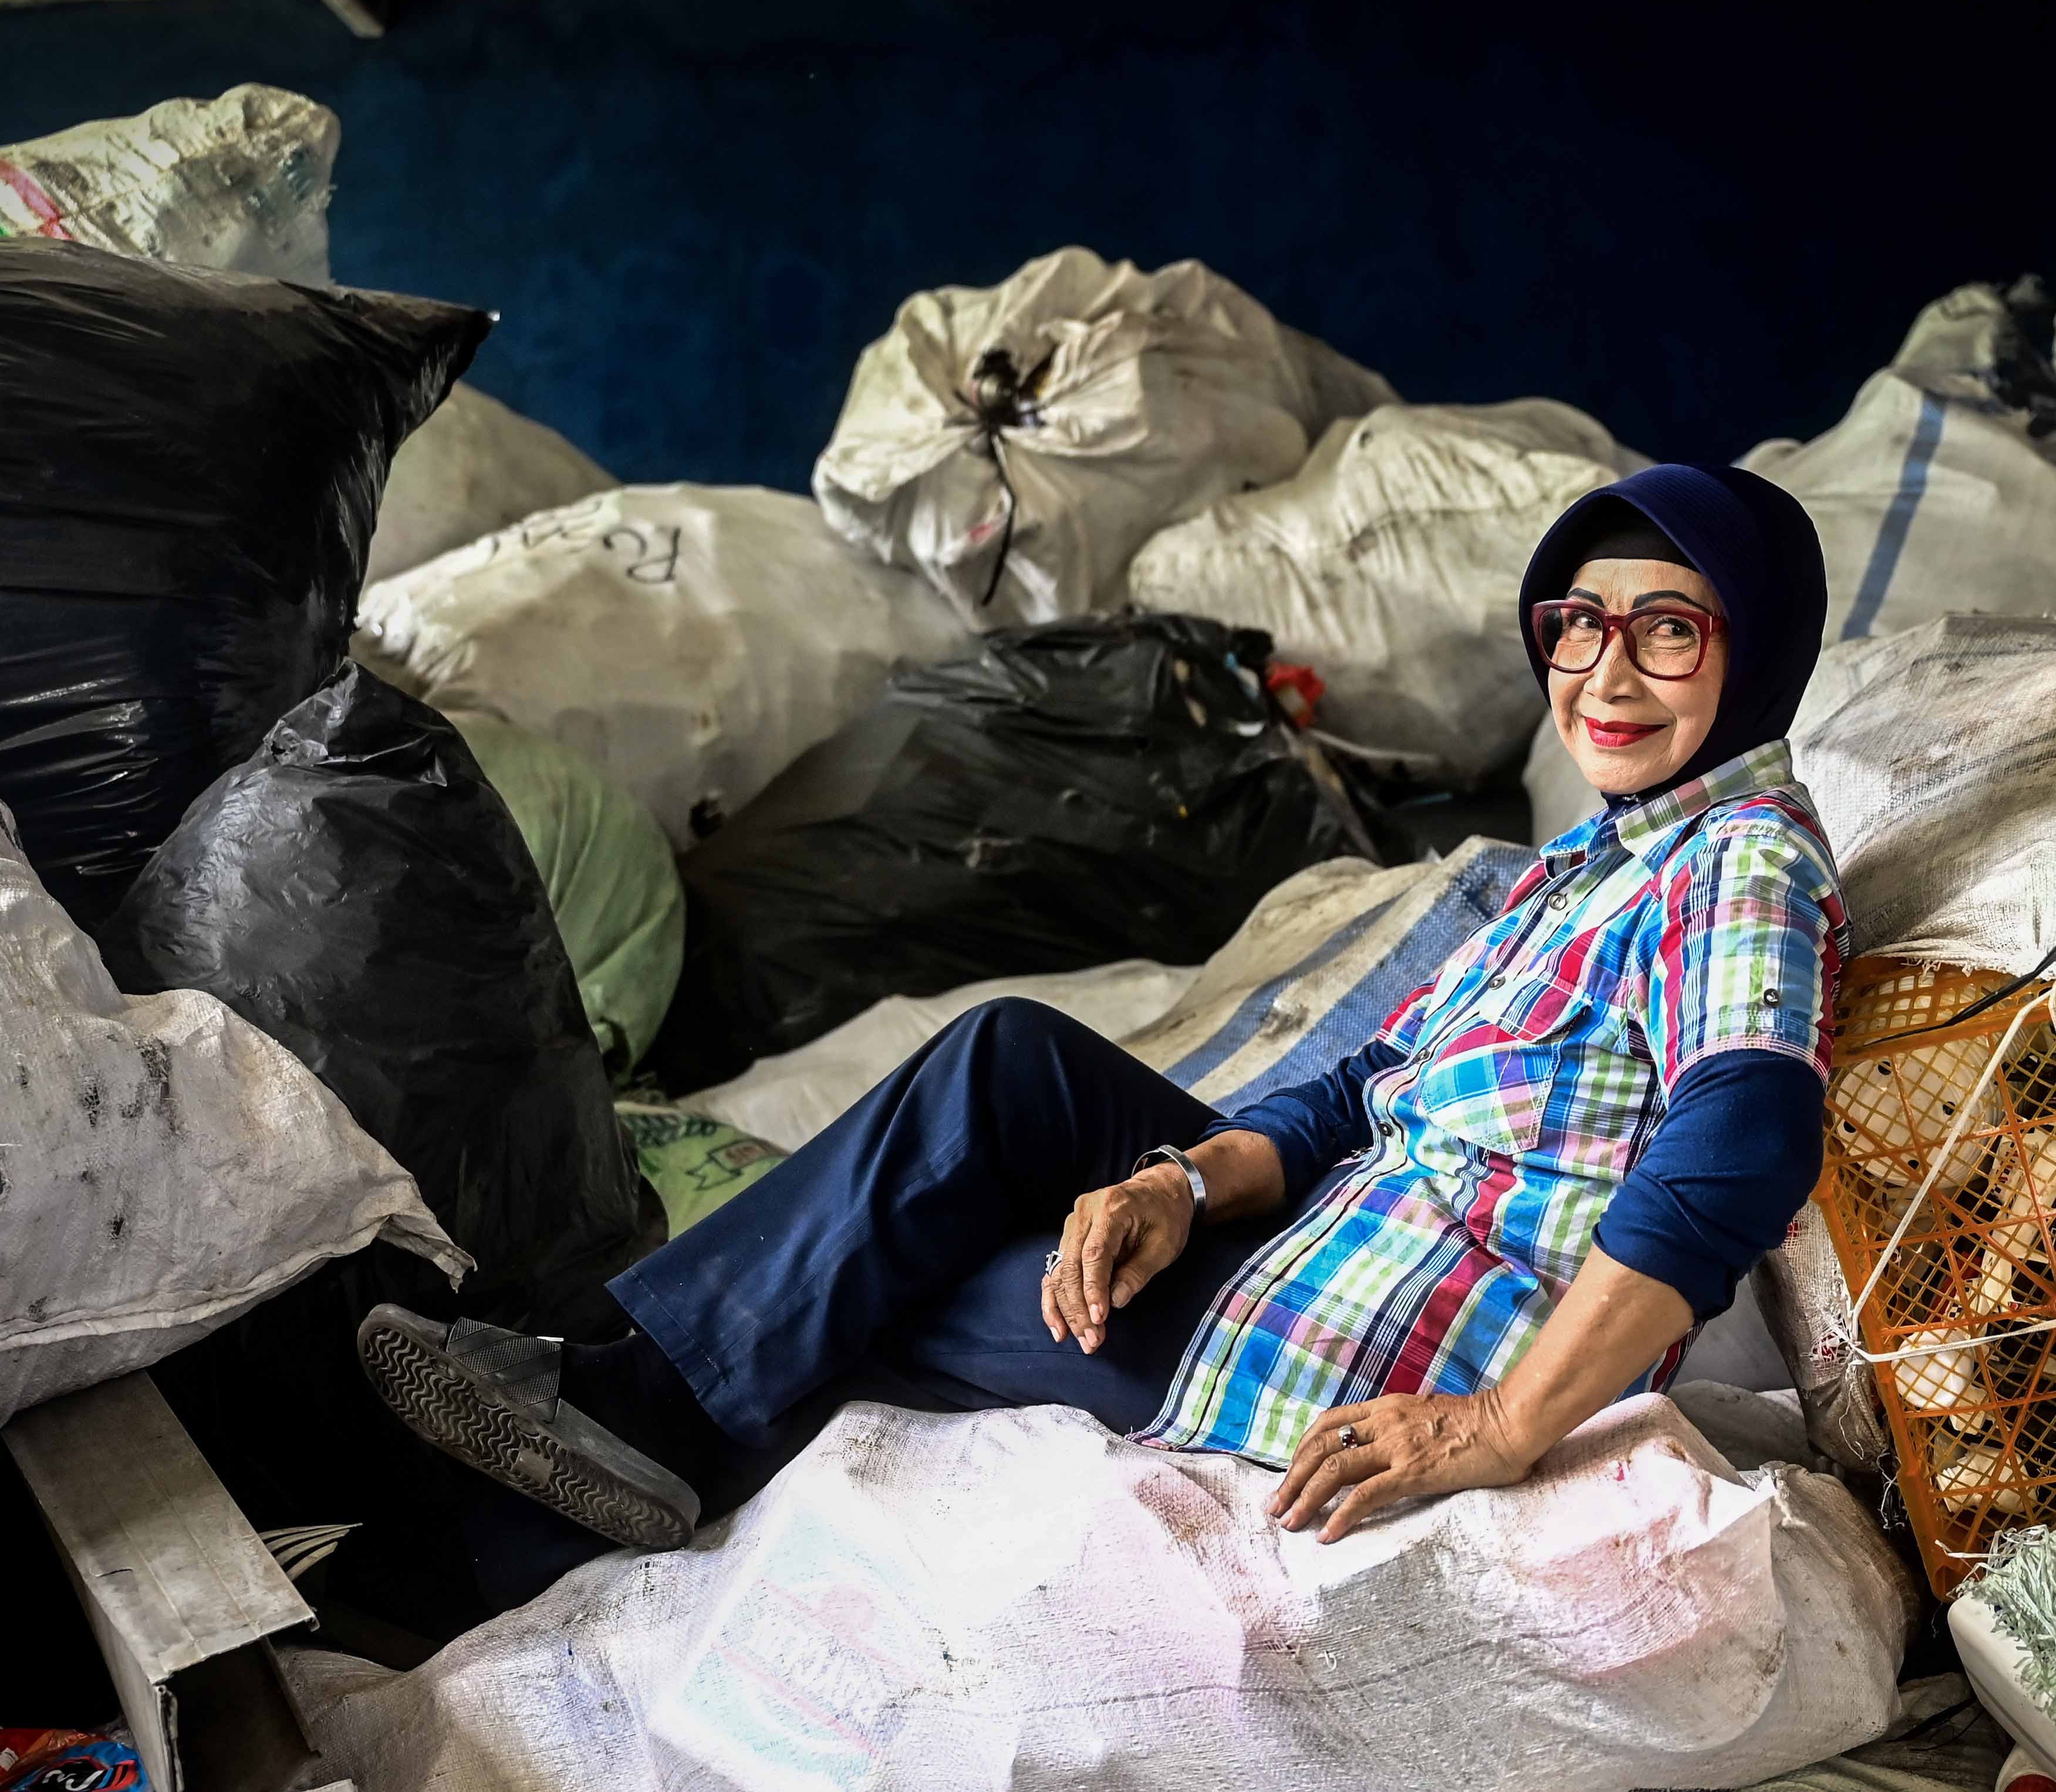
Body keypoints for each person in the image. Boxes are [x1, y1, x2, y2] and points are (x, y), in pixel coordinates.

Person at [358, 462, 1849, 1556]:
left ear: (1759, 649)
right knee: (1008, 1069)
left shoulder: (1739, 861)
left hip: (1385, 1337)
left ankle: (533, 1499)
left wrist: (1503, 1426)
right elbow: (1358, 1092)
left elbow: (1743, 1140)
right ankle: (621, 1395)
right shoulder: (1590, 865)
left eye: (1671, 631)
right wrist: (1177, 1182)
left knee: (887, 1277)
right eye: (1579, 624)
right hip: (1340, 1215)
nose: (1604, 672)